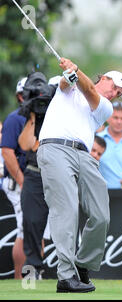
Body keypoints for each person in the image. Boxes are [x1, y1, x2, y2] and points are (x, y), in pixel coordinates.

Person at [37, 57, 122, 292]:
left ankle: (84, 263)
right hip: (55, 148)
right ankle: (66, 277)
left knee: (101, 215)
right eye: (115, 87)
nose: (115, 93)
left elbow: (88, 90)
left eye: (119, 92)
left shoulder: (105, 106)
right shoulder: (65, 84)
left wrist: (76, 69)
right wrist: (70, 74)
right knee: (66, 210)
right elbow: (66, 85)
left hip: (84, 156)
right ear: (104, 78)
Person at [17, 72, 56, 280]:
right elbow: (26, 145)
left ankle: (72, 273)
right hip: (34, 175)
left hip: (57, 176)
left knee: (65, 223)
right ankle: (31, 274)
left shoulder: (59, 113)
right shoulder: (27, 114)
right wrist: (32, 115)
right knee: (31, 223)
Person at [0, 77, 27, 279]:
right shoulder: (15, 118)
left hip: (35, 185)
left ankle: (31, 278)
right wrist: (23, 181)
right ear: (19, 96)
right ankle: (24, 282)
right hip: (20, 185)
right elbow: (7, 152)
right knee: (26, 233)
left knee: (35, 234)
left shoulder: (44, 117)